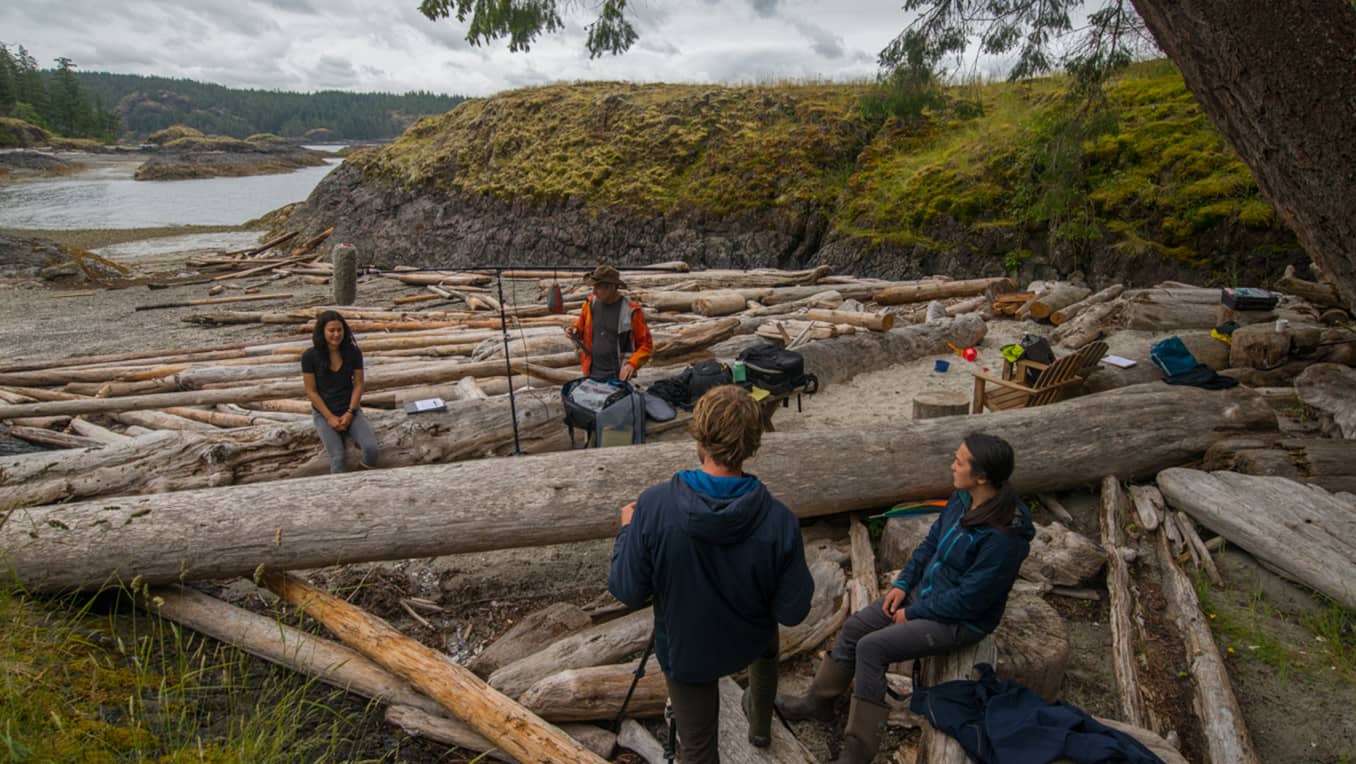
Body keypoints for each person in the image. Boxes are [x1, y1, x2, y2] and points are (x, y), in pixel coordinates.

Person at [775, 432, 1033, 764]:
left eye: (959, 461)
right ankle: (817, 703)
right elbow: (930, 545)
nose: (951, 465)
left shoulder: (1004, 537)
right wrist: (904, 583)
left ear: (981, 476)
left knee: (873, 647)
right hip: (923, 594)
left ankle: (856, 752)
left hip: (961, 620)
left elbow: (971, 600)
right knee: (855, 629)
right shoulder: (963, 498)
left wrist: (915, 612)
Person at [609, 385, 815, 763]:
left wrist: (627, 530)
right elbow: (793, 611)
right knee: (768, 643)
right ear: (753, 443)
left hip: (689, 652)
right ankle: (760, 727)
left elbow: (628, 590)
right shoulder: (779, 520)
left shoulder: (655, 505)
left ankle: (755, 728)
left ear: (699, 435)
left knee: (698, 748)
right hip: (749, 640)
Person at [301, 310, 378, 474]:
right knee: (338, 457)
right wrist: (329, 417)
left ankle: (361, 479)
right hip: (323, 413)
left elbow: (358, 384)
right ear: (322, 332)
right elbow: (311, 392)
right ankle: (338, 492)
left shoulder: (353, 352)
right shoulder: (310, 356)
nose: (336, 334)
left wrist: (350, 412)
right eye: (331, 331)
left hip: (350, 408)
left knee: (371, 449)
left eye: (339, 330)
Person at [567, 264, 653, 382]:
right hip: (591, 372)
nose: (594, 291)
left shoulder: (631, 310)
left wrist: (631, 364)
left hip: (618, 377)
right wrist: (575, 331)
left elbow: (646, 345)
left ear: (612, 287)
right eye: (593, 287)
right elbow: (581, 330)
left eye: (598, 287)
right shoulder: (589, 304)